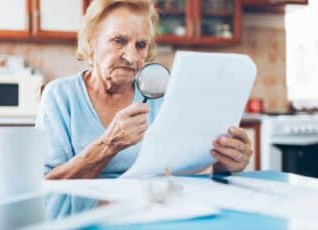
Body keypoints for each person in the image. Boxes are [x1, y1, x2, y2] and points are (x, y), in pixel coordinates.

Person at [36, 0, 253, 216]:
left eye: (141, 45)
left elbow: (180, 171)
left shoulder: (160, 97)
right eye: (119, 41)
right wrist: (108, 144)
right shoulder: (60, 96)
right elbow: (46, 185)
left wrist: (224, 164)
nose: (132, 58)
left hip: (145, 217)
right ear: (91, 43)